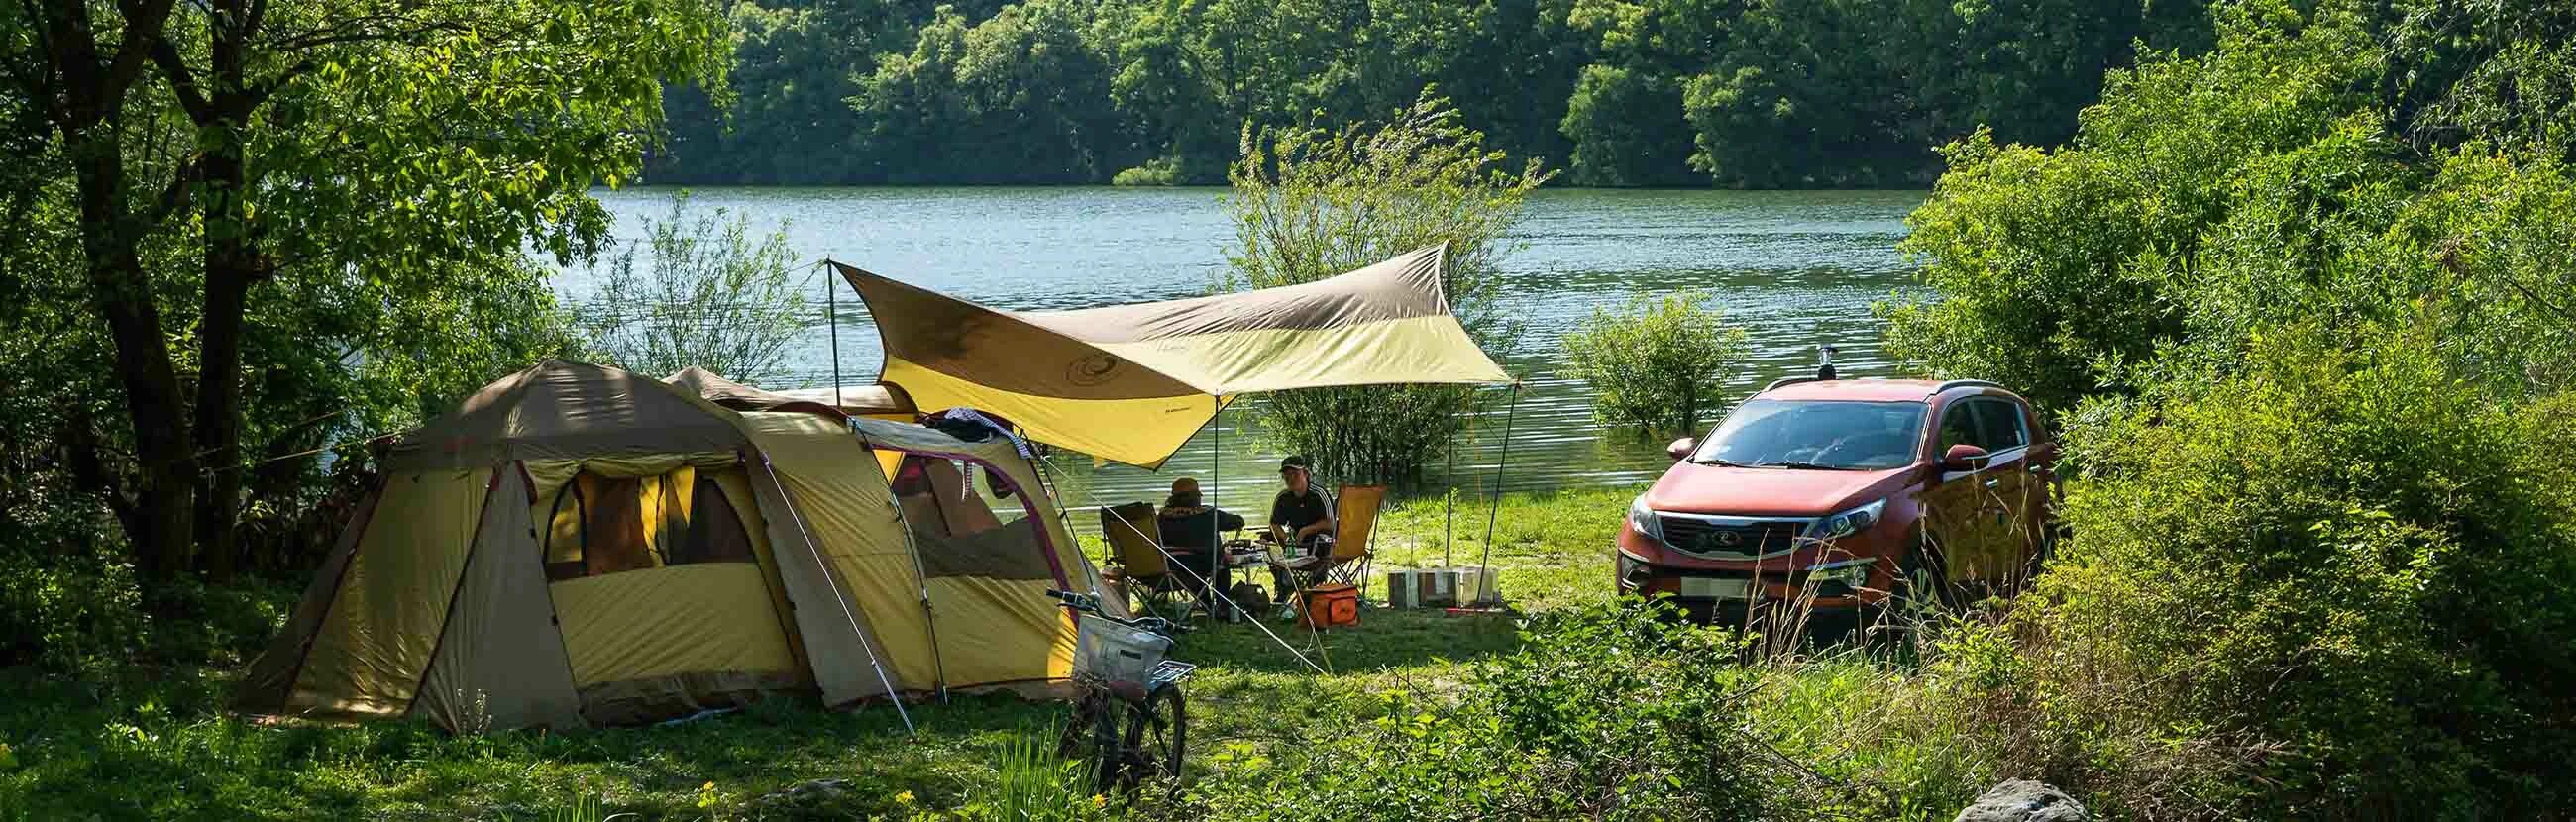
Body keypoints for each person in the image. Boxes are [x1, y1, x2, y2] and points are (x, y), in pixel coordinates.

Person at [1154, 477, 1241, 598]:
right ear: (1196, 497)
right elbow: (1236, 522)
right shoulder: (1207, 514)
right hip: (1201, 565)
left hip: (1168, 568)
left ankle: (1204, 603)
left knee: (1193, 564)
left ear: (1172, 499)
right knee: (1220, 565)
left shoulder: (1162, 517)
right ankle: (1222, 604)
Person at [1265, 456, 1336, 602]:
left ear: (1306, 474)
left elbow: (1331, 524)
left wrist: (1305, 530)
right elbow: (1274, 524)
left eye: (1295, 474)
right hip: (1295, 544)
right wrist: (1284, 537)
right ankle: (1284, 585)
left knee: (1321, 541)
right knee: (1267, 540)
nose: (1291, 479)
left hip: (1320, 543)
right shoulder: (1283, 497)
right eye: (1286, 476)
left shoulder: (1319, 494)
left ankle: (1316, 583)